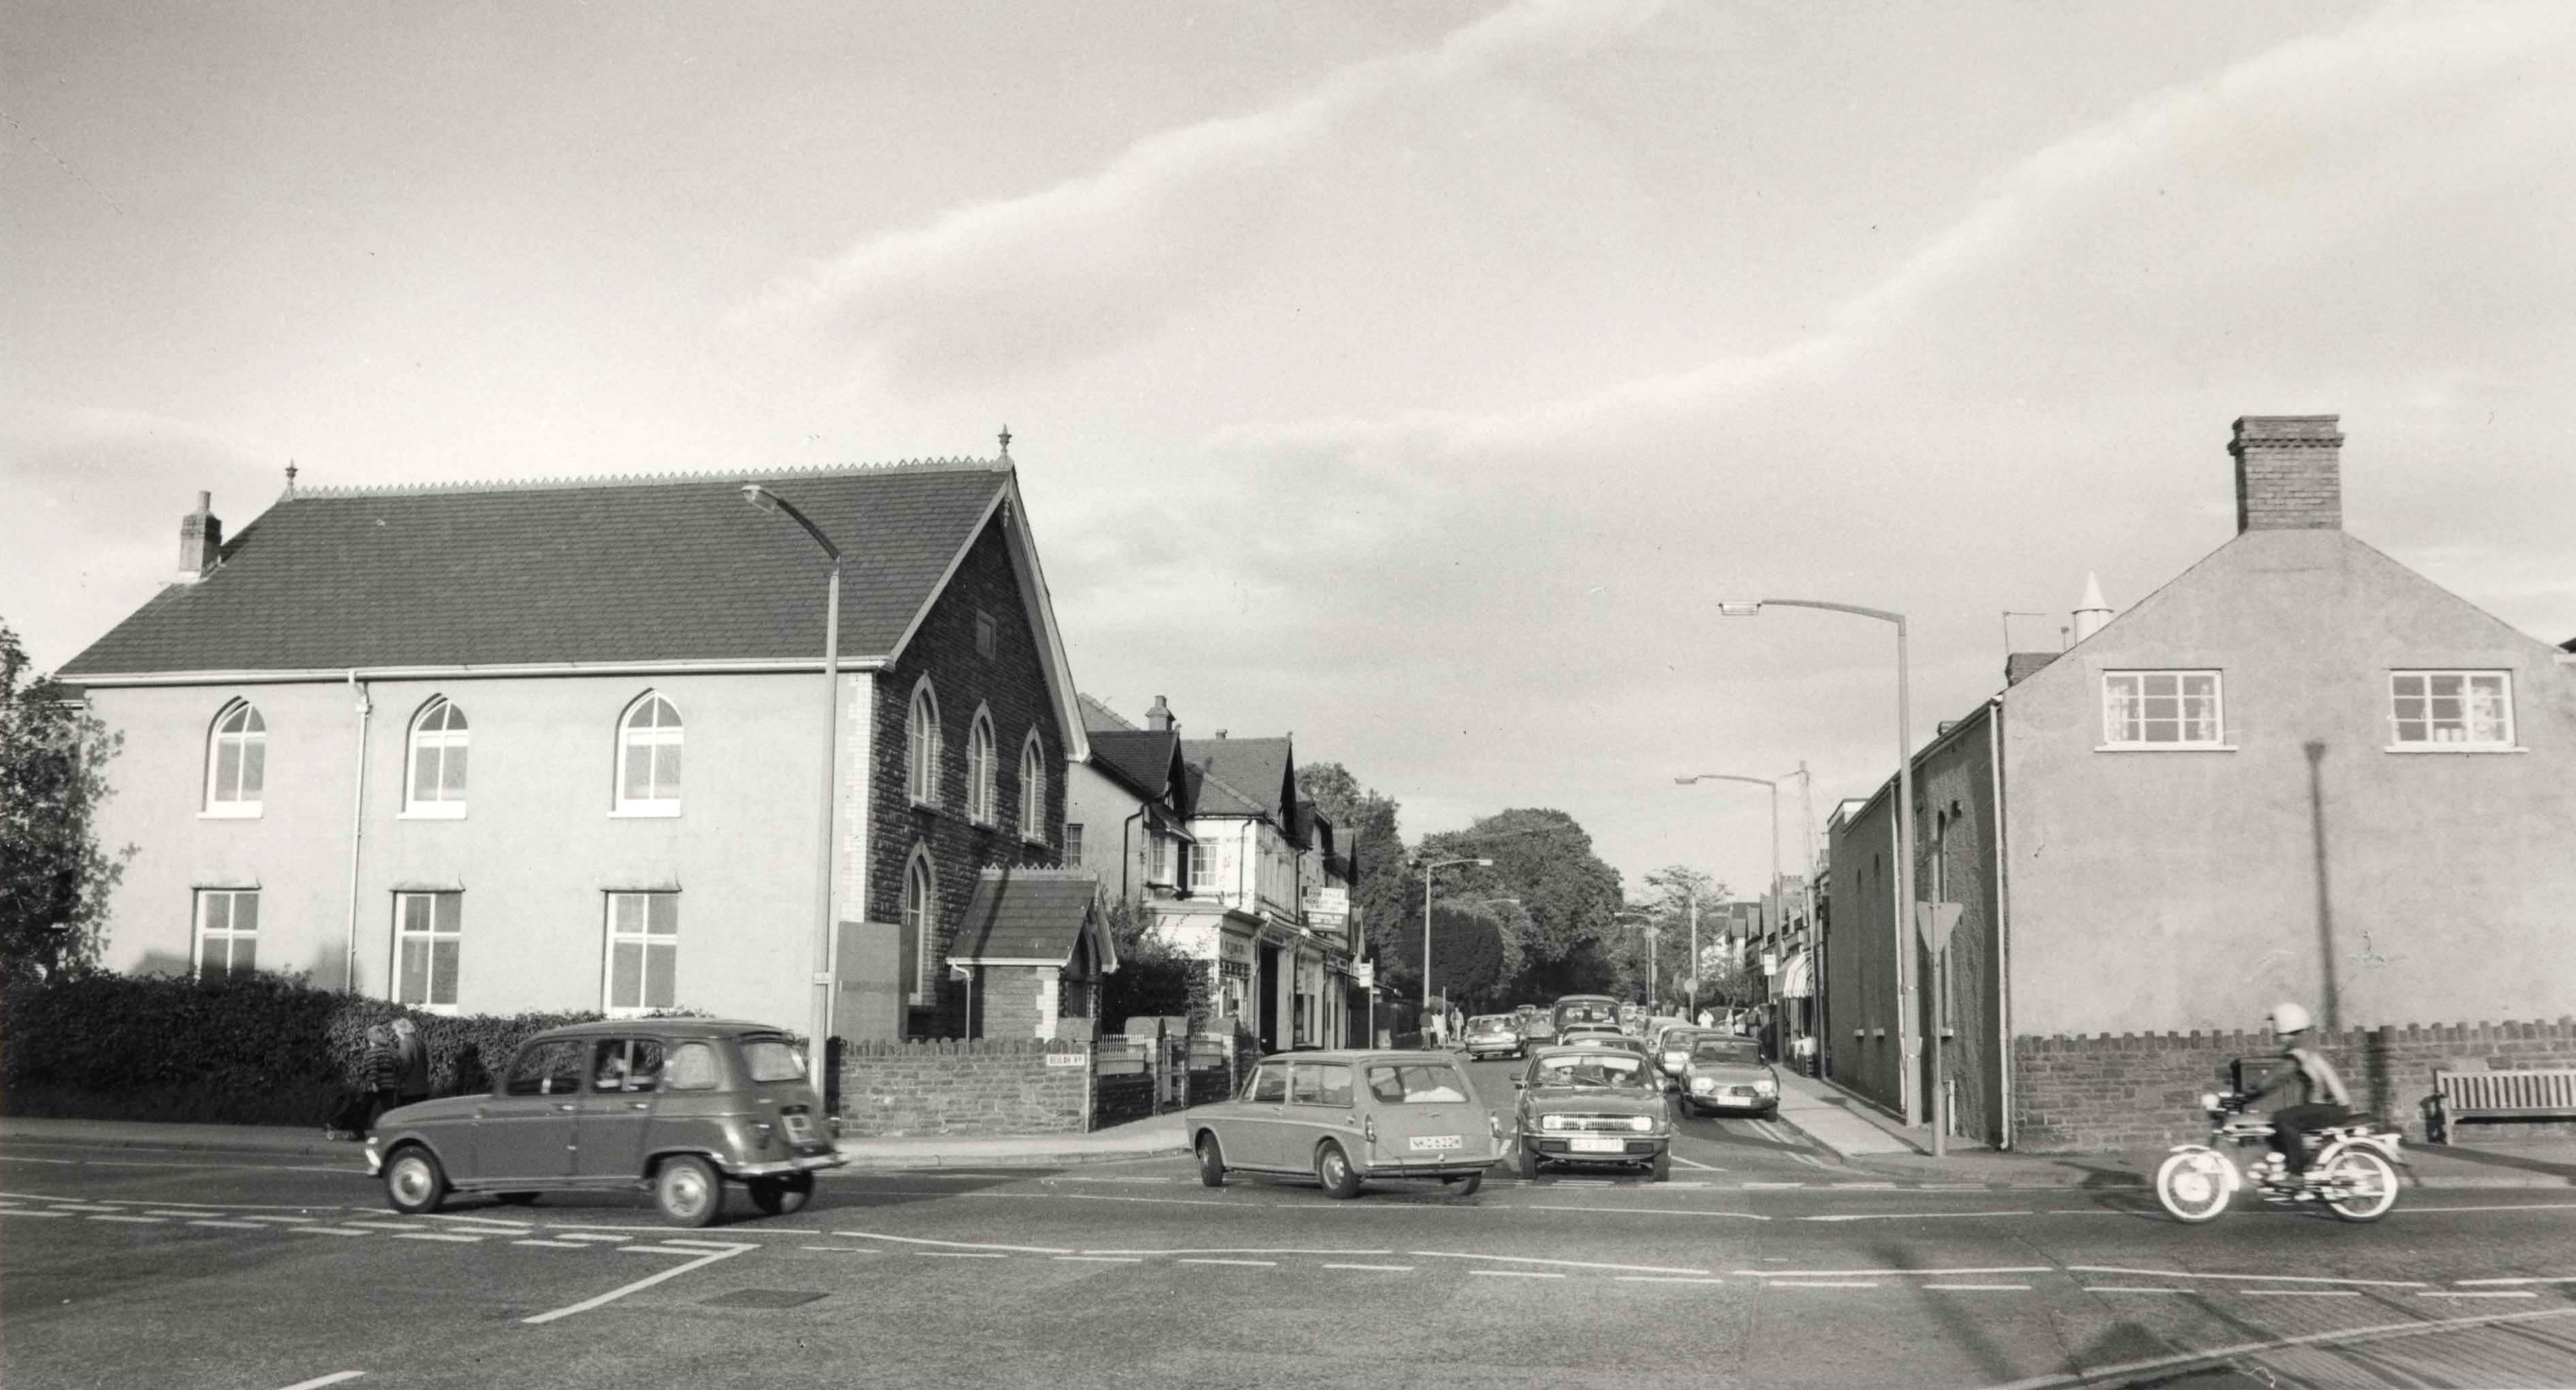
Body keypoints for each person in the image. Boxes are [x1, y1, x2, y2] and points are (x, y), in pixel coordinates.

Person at [2243, 1002, 2353, 1183]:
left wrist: (2252, 1091)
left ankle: (2297, 1172)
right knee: (2277, 1124)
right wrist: (2255, 1094)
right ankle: (2287, 1166)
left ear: (2286, 1025)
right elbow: (2278, 1080)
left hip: (2332, 1106)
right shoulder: (2303, 1047)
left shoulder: (2300, 1049)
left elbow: (2279, 1075)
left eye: (2276, 1026)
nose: (2274, 1032)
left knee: (2283, 1118)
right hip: (2329, 1106)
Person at [359, 1023, 399, 1136]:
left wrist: (374, 1083)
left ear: (372, 1038)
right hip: (390, 1084)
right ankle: (391, 1132)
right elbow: (397, 1064)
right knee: (389, 1109)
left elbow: (373, 1069)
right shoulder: (391, 1051)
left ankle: (360, 1132)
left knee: (365, 1108)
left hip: (377, 1085)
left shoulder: (372, 1052)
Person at [390, 1017, 431, 1107]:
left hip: (410, 1089)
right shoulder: (419, 1042)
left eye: (396, 1030)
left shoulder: (405, 1043)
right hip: (423, 1087)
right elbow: (425, 1064)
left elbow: (405, 1064)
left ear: (401, 1030)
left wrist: (398, 1080)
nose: (395, 1033)